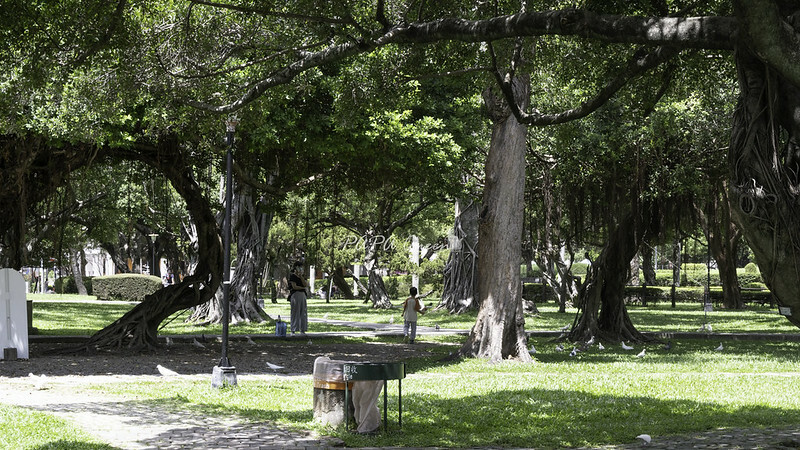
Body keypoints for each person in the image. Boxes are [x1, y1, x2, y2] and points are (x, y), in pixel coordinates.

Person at [288, 261, 308, 335]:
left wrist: (301, 276)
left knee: (303, 312)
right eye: (299, 267)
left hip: (303, 295)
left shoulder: (302, 276)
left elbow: (305, 284)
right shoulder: (292, 276)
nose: (301, 269)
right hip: (295, 295)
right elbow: (294, 286)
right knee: (295, 312)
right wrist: (302, 287)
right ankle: (293, 329)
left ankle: (302, 330)